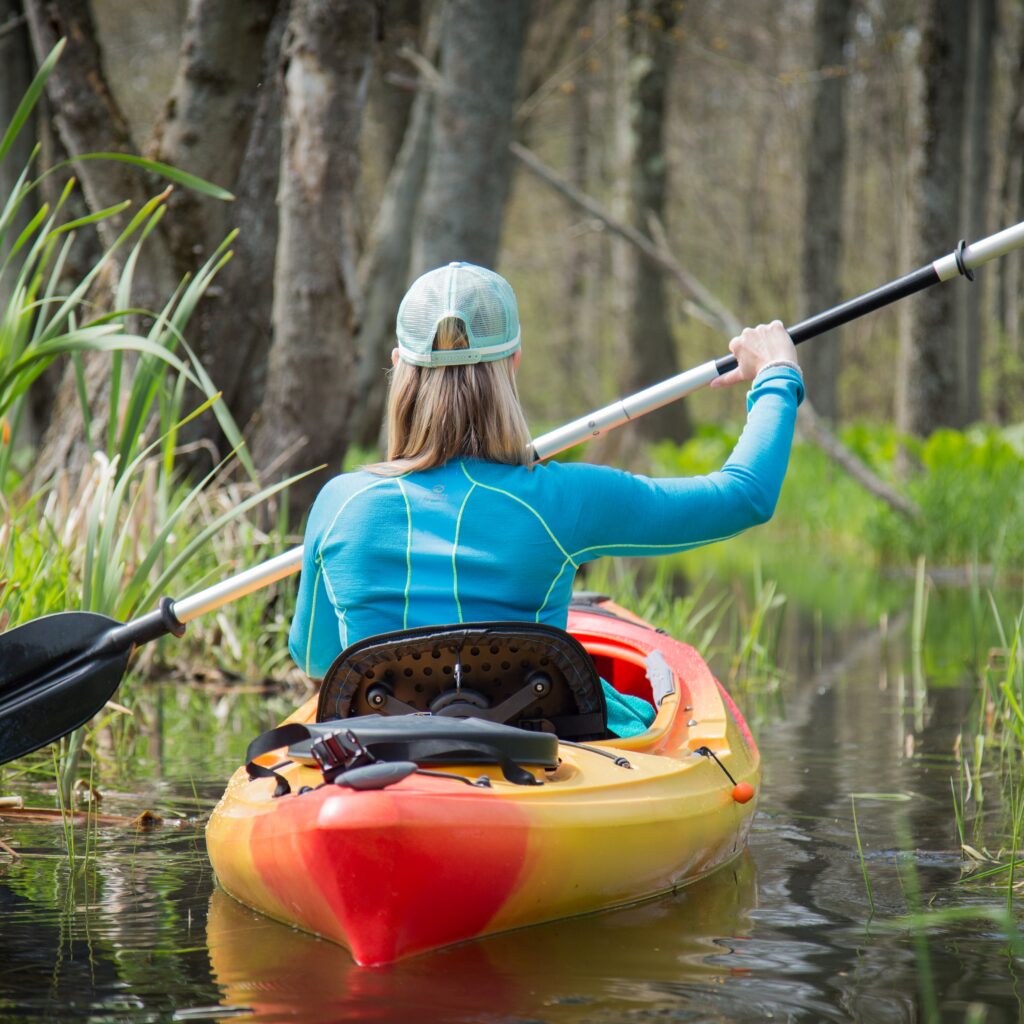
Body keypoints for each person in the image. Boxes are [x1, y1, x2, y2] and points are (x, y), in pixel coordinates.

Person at [289, 261, 803, 737]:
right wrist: (776, 374)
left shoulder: (339, 504)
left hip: (379, 757)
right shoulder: (563, 500)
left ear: (399, 365)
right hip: (532, 749)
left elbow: (315, 658)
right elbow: (743, 496)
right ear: (513, 362)